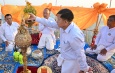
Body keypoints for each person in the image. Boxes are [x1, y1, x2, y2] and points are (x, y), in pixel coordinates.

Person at [29, 8, 92, 73]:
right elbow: (50, 23)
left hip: (72, 63)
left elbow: (80, 53)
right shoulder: (64, 26)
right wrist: (35, 18)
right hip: (65, 57)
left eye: (58, 19)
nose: (56, 21)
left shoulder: (75, 35)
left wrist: (83, 68)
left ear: (65, 22)